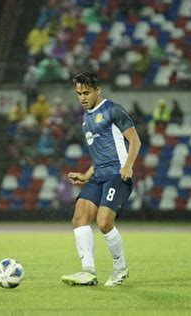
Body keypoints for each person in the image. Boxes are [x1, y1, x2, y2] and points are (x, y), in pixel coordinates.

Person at [61, 72, 141, 286]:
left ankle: (120, 269)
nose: (82, 98)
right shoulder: (86, 120)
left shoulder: (113, 110)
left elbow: (135, 141)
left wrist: (128, 166)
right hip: (98, 176)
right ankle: (88, 272)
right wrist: (85, 175)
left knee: (104, 222)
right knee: (79, 218)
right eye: (79, 93)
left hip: (117, 175)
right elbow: (99, 155)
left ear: (98, 90)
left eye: (86, 92)